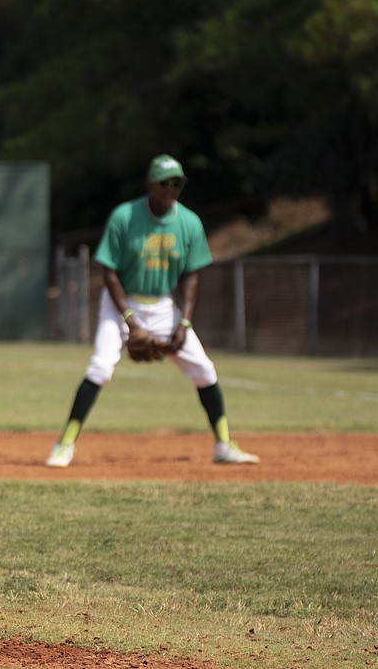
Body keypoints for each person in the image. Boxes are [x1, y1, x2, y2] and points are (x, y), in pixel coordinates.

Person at [45, 154, 259, 468]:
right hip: (120, 303)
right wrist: (130, 321)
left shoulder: (189, 222)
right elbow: (108, 272)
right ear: (150, 184)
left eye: (177, 182)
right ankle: (64, 444)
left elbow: (191, 275)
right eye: (164, 182)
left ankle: (224, 445)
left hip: (163, 305)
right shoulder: (125, 217)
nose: (171, 188)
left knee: (205, 372)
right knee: (101, 368)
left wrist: (184, 322)